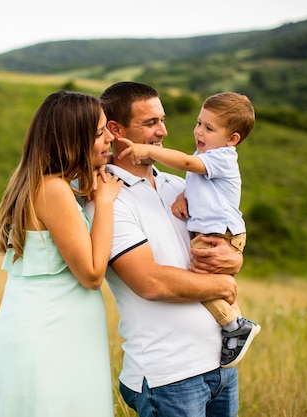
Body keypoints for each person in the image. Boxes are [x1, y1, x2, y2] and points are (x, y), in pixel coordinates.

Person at [85, 82, 243, 417]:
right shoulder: (106, 202)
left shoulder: (180, 186)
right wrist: (224, 285)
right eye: (150, 123)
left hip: (221, 368)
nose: (163, 132)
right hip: (168, 377)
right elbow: (150, 282)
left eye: (163, 120)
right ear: (116, 130)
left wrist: (235, 257)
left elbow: (219, 240)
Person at [0, 90, 123, 417]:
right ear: (74, 139)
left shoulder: (38, 182)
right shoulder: (54, 189)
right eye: (100, 133)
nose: (110, 138)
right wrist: (104, 203)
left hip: (46, 339)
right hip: (49, 345)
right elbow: (91, 274)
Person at [116, 91, 261, 368]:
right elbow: (198, 182)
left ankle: (234, 325)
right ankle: (234, 324)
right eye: (199, 123)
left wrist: (147, 150)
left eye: (209, 128)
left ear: (232, 140)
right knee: (205, 280)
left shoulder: (222, 157)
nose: (199, 131)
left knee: (201, 277)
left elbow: (185, 163)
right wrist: (185, 197)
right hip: (167, 366)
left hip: (219, 233)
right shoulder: (112, 198)